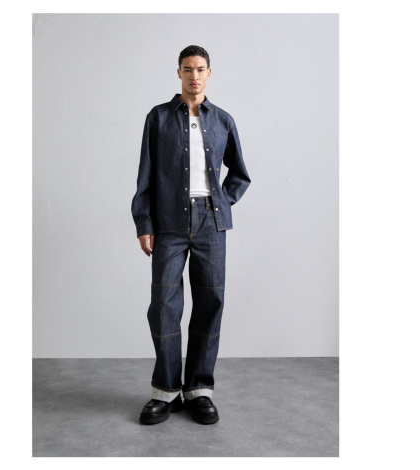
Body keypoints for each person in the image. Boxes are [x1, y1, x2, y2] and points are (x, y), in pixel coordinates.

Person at [131, 45, 251, 425]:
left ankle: (199, 389)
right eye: (188, 69)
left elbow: (240, 174)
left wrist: (222, 203)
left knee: (209, 303)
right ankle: (166, 391)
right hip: (168, 220)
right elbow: (145, 175)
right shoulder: (158, 117)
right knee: (164, 305)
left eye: (200, 69)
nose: (194, 76)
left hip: (210, 223)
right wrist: (144, 223)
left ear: (209, 73)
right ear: (179, 73)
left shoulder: (223, 120)